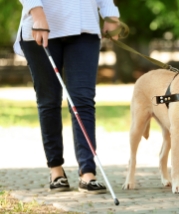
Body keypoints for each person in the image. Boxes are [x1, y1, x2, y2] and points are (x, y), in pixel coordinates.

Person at [13, 0, 120, 194]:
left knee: (83, 100)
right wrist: (37, 14)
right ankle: (56, 170)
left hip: (84, 28)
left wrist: (111, 14)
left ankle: (88, 172)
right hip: (41, 25)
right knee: (49, 100)